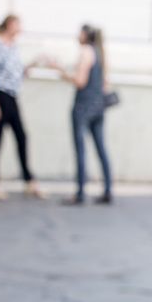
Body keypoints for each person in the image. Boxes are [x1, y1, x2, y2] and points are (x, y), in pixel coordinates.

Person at [0, 15, 46, 200]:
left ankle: (29, 179)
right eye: (18, 24)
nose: (21, 28)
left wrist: (34, 63)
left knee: (21, 136)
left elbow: (18, 71)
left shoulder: (14, 46)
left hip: (12, 95)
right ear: (10, 24)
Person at [49, 25, 112, 204]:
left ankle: (80, 193)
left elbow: (80, 80)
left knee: (81, 150)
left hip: (83, 107)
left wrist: (59, 70)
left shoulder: (85, 51)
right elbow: (105, 83)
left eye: (80, 33)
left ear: (85, 35)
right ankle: (107, 190)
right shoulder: (100, 53)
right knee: (101, 149)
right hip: (98, 107)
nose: (77, 36)